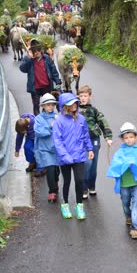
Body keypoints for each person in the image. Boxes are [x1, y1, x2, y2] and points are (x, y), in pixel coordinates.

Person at [106, 122, 137, 239]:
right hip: (124, 184)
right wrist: (125, 164)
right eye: (126, 138)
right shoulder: (120, 153)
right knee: (125, 204)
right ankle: (128, 216)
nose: (129, 140)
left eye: (131, 137)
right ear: (122, 139)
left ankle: (135, 228)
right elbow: (115, 165)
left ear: (136, 137)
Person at [53, 92, 94, 220]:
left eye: (75, 103)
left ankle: (79, 205)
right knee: (67, 181)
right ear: (64, 106)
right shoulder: (59, 121)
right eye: (71, 104)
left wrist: (90, 148)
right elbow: (57, 141)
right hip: (65, 159)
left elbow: (85, 134)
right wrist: (66, 157)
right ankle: (65, 205)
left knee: (80, 181)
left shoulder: (81, 118)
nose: (75, 105)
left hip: (79, 156)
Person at [77, 85, 113, 200]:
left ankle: (92, 186)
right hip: (80, 141)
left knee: (93, 165)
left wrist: (108, 137)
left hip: (94, 139)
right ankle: (84, 187)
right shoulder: (75, 110)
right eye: (81, 96)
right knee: (86, 163)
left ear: (90, 97)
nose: (83, 98)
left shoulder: (93, 110)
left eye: (85, 96)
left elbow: (103, 122)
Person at [19, 39, 61, 116]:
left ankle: (45, 119)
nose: (37, 52)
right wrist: (29, 58)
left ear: (41, 50)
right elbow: (22, 69)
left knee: (47, 105)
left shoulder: (46, 58)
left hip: (47, 86)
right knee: (36, 105)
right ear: (32, 51)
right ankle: (37, 121)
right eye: (35, 50)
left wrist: (58, 82)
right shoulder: (28, 59)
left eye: (38, 50)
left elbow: (54, 71)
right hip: (35, 88)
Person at [34, 93, 61, 203]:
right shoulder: (38, 119)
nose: (50, 107)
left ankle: (55, 182)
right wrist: (51, 127)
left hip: (56, 148)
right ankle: (52, 191)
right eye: (48, 105)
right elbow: (38, 132)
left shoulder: (58, 117)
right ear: (43, 106)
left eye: (52, 105)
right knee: (50, 169)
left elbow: (63, 132)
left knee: (55, 171)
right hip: (45, 149)